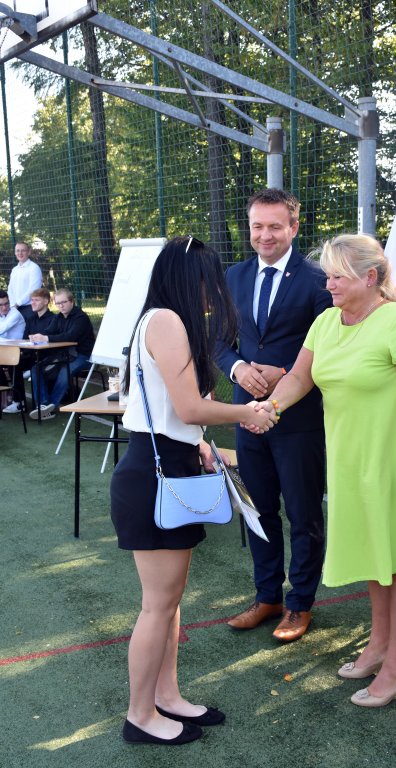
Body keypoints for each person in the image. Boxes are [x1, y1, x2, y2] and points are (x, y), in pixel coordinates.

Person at [252, 234, 396, 707]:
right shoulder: (325, 322)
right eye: (327, 276)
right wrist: (268, 408)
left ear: (370, 277)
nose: (329, 284)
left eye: (338, 276)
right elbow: (299, 377)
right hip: (354, 462)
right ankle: (379, 647)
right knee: (378, 559)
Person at [110, 236, 276, 747]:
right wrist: (247, 412)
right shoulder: (165, 321)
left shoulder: (165, 320)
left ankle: (167, 696)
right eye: (208, 281)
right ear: (189, 279)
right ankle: (141, 715)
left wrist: (201, 442)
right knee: (157, 605)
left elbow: (172, 409)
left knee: (169, 601)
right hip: (154, 471)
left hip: (168, 464)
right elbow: (188, 408)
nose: (213, 293)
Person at [216, 188, 332, 642]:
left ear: (293, 228)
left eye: (275, 226)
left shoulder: (319, 279)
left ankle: (299, 603)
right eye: (257, 226)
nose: (265, 235)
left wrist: (284, 371)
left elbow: (332, 346)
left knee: (303, 514)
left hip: (299, 419)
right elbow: (217, 340)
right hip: (248, 416)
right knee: (259, 510)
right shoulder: (234, 276)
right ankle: (268, 597)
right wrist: (238, 368)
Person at [28, 288, 95, 420]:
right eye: (58, 303)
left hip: (83, 355)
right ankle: (43, 405)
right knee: (36, 369)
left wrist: (45, 338)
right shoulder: (58, 317)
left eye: (63, 302)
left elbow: (70, 337)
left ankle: (51, 405)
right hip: (65, 355)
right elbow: (49, 331)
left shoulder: (81, 317)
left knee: (65, 370)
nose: (61, 306)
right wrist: (37, 336)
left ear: (71, 301)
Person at [3, 287, 55, 414]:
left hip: (48, 356)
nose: (32, 303)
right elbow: (25, 338)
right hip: (32, 355)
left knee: (31, 367)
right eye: (32, 300)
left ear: (46, 301)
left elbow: (50, 338)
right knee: (14, 362)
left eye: (36, 300)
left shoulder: (54, 318)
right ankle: (18, 402)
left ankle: (41, 405)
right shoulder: (31, 319)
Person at [7, 242, 43, 320]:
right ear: (15, 252)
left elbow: (33, 290)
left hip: (29, 309)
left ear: (29, 252)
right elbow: (10, 289)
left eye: (23, 250)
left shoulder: (34, 268)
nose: (20, 253)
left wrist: (18, 303)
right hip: (14, 308)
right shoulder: (14, 270)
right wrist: (12, 304)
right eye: (17, 250)